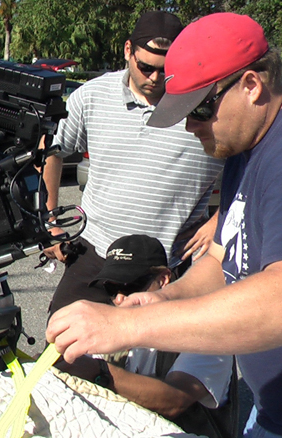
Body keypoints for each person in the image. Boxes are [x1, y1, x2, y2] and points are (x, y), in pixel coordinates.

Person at [46, 12, 282, 437]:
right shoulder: (241, 149)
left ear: (252, 86)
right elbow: (223, 256)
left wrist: (125, 326)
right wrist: (165, 298)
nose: (191, 127)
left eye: (201, 109)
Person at [42, 11, 224, 318]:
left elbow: (252, 169)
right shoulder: (92, 96)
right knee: (64, 351)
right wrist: (49, 220)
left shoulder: (205, 108)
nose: (154, 78)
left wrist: (219, 221)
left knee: (153, 365)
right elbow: (52, 151)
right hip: (94, 255)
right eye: (145, 67)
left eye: (164, 70)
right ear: (128, 50)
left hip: (167, 268)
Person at [54, 234, 236, 437]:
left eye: (129, 286)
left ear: (163, 279)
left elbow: (176, 400)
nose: (120, 298)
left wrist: (101, 372)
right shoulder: (107, 322)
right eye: (111, 289)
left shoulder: (206, 329)